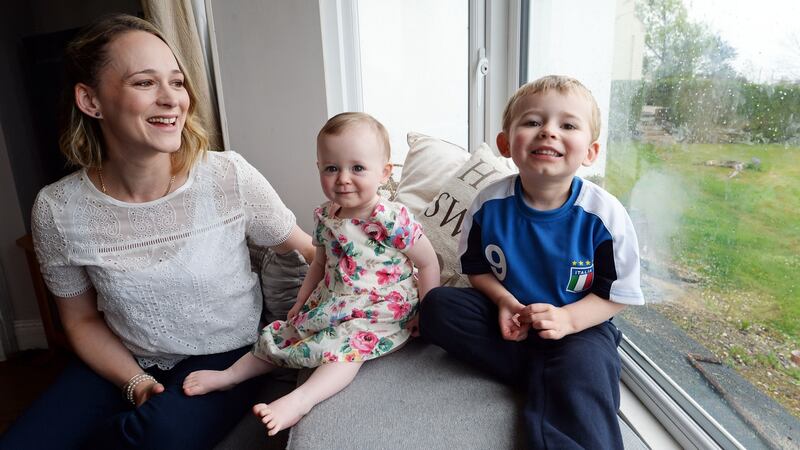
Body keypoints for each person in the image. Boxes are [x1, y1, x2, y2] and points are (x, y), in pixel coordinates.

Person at [0, 14, 315, 450]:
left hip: (227, 357)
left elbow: (310, 253)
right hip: (120, 360)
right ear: (90, 100)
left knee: (154, 438)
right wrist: (135, 383)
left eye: (177, 82)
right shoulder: (57, 209)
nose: (171, 99)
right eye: (145, 82)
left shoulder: (228, 176)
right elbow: (81, 320)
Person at [419, 75, 644, 450]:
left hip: (580, 325)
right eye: (533, 121)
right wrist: (505, 301)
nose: (549, 132)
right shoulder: (488, 203)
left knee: (587, 364)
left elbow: (617, 294)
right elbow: (477, 270)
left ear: (590, 152)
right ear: (506, 144)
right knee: (438, 307)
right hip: (511, 319)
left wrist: (568, 320)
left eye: (567, 125)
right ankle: (553, 376)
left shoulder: (604, 215)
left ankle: (561, 376)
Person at [181, 112, 440, 436]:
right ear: (319, 168)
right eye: (332, 168)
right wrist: (302, 300)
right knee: (286, 332)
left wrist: (427, 313)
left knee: (348, 347)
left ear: (384, 172)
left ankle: (301, 400)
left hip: (382, 306)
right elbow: (319, 262)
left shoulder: (390, 219)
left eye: (358, 168)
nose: (343, 178)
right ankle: (231, 376)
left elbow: (428, 263)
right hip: (334, 299)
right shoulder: (326, 215)